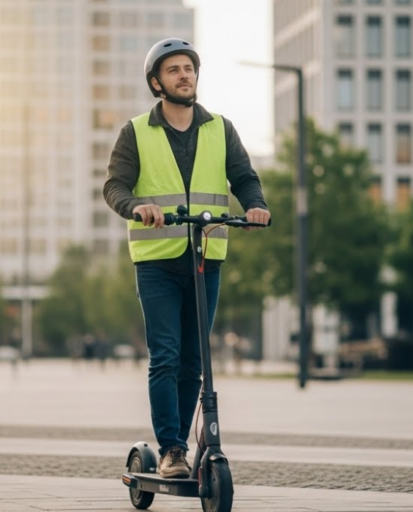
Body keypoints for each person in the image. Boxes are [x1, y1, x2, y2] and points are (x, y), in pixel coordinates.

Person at [103, 38, 269, 479]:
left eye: (189, 68)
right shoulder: (136, 131)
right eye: (174, 70)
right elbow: (115, 186)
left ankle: (192, 446)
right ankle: (173, 448)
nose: (184, 75)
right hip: (157, 260)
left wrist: (255, 205)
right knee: (167, 355)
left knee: (196, 359)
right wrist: (135, 206)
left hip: (205, 255)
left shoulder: (220, 128)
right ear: (157, 82)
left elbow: (244, 178)